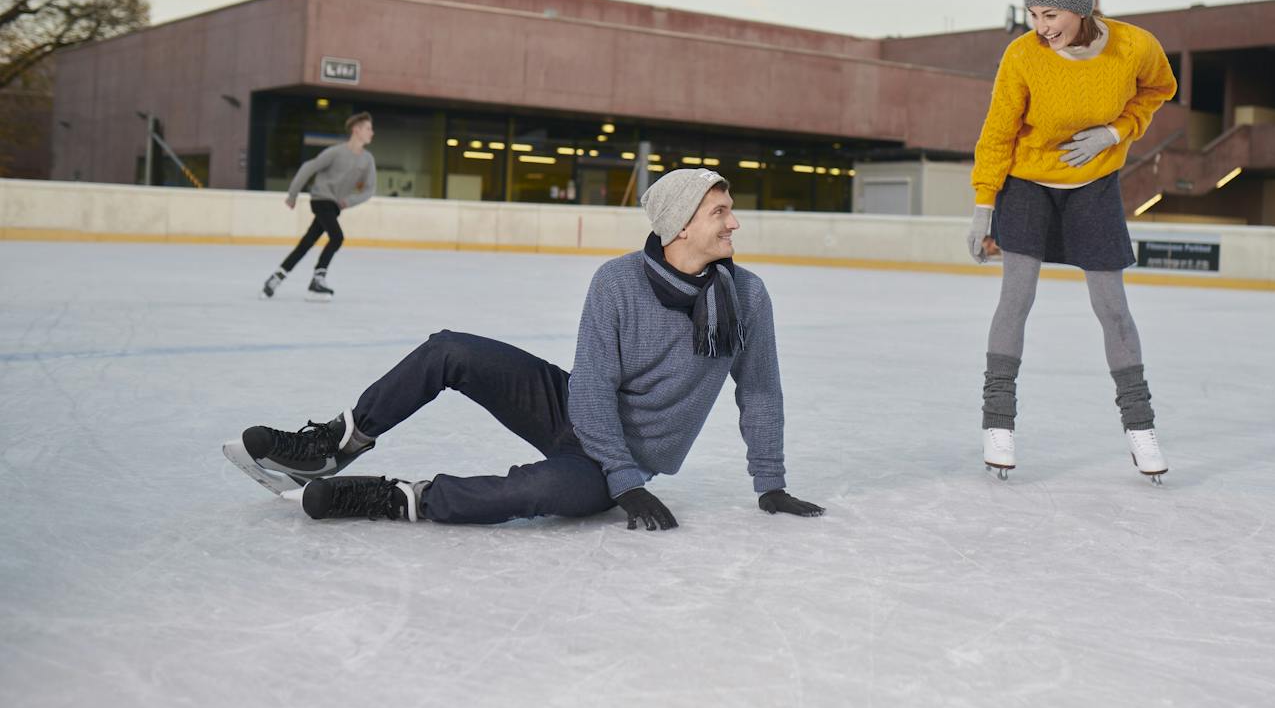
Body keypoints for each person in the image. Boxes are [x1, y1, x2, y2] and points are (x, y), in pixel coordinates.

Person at [225, 168, 825, 530]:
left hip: (609, 464)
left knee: (535, 492)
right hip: (570, 410)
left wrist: (768, 483)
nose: (734, 223)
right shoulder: (616, 282)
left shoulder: (747, 297)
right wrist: (627, 481)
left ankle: (400, 498)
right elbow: (590, 387)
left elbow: (760, 388)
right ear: (682, 226)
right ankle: (335, 444)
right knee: (450, 349)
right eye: (721, 211)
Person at [966, 0, 1178, 483]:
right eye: (1034, 13)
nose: (1042, 26)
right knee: (1017, 298)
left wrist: (1115, 131)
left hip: (1094, 183)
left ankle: (1140, 427)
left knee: (1112, 307)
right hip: (1029, 182)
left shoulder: (1135, 47)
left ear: (1080, 8)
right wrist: (984, 205)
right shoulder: (1023, 56)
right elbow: (997, 131)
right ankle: (998, 424)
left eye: (1051, 12)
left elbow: (1158, 90)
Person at [262, 112, 377, 299]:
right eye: (368, 128)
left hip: (335, 206)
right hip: (321, 199)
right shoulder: (336, 152)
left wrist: (349, 201)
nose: (372, 133)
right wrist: (292, 194)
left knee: (307, 243)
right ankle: (318, 279)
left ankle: (276, 278)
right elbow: (308, 167)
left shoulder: (367, 160)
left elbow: (369, 189)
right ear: (356, 130)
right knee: (337, 237)